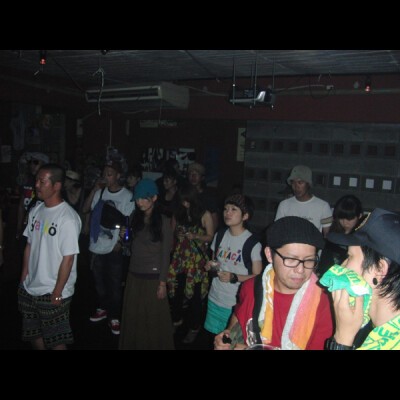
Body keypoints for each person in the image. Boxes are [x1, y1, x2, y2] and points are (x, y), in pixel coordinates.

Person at [214, 216, 333, 350]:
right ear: (270, 254)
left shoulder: (324, 302)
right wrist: (228, 334)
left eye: (309, 260)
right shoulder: (251, 287)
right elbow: (239, 315)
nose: (300, 270)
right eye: (291, 259)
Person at [17, 163, 81, 350]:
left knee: (56, 339)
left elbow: (68, 259)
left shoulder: (67, 217)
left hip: (53, 289)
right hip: (30, 286)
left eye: (42, 181)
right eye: (37, 180)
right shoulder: (36, 210)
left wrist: (57, 292)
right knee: (33, 332)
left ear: (57, 186)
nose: (36, 185)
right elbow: (29, 245)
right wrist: (23, 278)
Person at [325, 208, 400, 350]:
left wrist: (342, 339)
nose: (342, 266)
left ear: (379, 270)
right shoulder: (378, 331)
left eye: (349, 257)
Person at [119, 179, 174, 349]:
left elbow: (165, 254)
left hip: (153, 276)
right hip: (134, 273)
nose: (140, 202)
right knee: (133, 317)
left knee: (153, 320)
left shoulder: (163, 221)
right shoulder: (134, 217)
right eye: (137, 198)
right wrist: (124, 238)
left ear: (154, 198)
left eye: (144, 198)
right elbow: (131, 245)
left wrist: (162, 282)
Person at [84, 161, 135, 335]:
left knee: (114, 282)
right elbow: (86, 209)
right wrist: (94, 189)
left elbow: (128, 222)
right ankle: (103, 307)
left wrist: (120, 243)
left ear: (118, 175)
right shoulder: (100, 192)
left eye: (110, 173)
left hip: (113, 246)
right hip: (96, 244)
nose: (106, 176)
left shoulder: (127, 195)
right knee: (99, 281)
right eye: (104, 173)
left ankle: (114, 316)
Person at [204, 194, 263, 339]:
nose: (227, 213)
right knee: (212, 340)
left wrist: (234, 277)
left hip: (235, 304)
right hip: (215, 297)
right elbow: (215, 260)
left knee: (229, 342)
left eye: (233, 209)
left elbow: (258, 277)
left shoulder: (252, 243)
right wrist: (210, 265)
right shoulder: (220, 235)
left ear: (245, 216)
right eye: (226, 209)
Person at [167, 184, 215, 344]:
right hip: (181, 257)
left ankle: (194, 327)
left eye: (187, 201)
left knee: (195, 297)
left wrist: (196, 236)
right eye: (182, 201)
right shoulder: (179, 212)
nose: (184, 204)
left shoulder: (204, 214)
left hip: (196, 261)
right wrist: (179, 234)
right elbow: (173, 232)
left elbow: (210, 236)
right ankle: (176, 320)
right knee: (177, 291)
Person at [275, 165, 332, 236]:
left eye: (300, 182)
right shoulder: (284, 205)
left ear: (308, 184)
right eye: (293, 183)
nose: (296, 187)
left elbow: (327, 235)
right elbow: (277, 230)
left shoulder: (323, 206)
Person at [317, 195, 363, 277]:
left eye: (349, 219)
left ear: (359, 216)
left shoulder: (363, 238)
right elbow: (324, 264)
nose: (345, 222)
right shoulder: (333, 236)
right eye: (341, 218)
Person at [16, 152, 49, 241]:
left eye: (35, 162)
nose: (32, 165)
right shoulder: (27, 180)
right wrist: (19, 226)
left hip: (41, 224)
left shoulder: (47, 183)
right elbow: (21, 206)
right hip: (27, 223)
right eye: (30, 162)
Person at [187, 162, 219, 231]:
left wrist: (210, 235)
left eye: (196, 174)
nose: (193, 176)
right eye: (191, 174)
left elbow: (214, 218)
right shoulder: (184, 194)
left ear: (202, 177)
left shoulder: (208, 196)